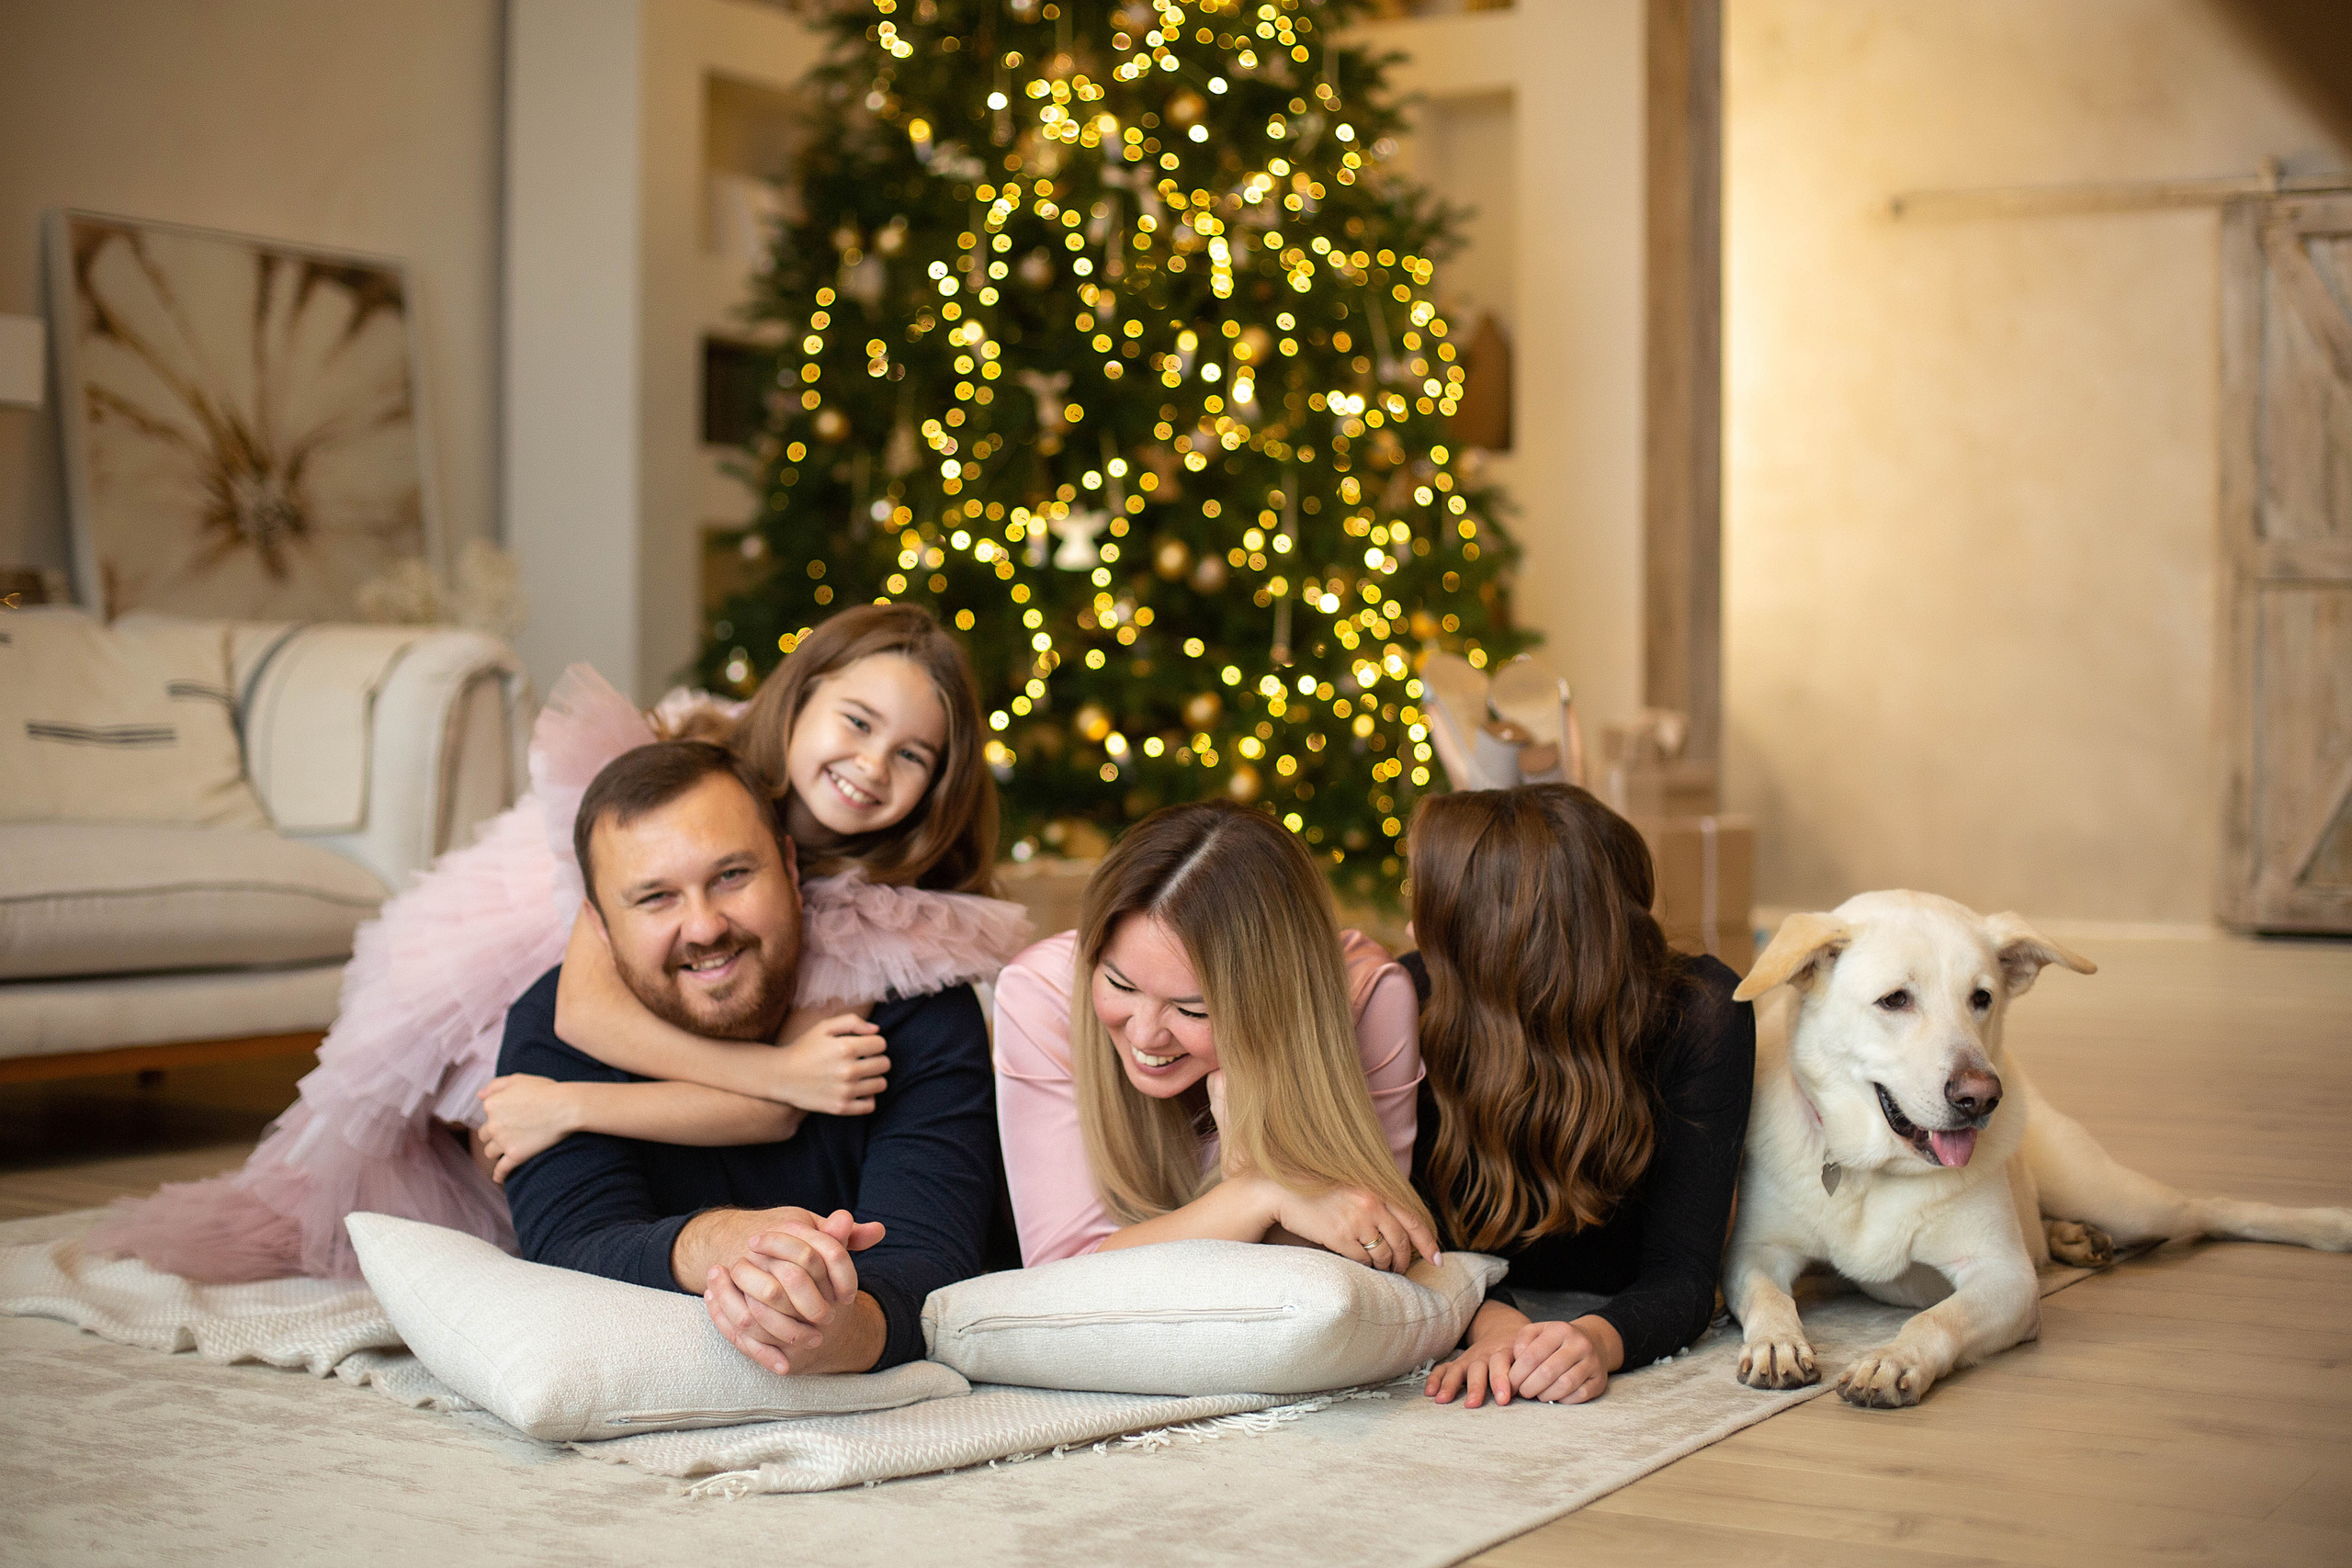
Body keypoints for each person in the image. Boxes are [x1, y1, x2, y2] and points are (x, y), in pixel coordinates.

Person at [89, 604, 1026, 1282]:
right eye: (857, 723)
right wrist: (604, 1095)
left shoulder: (886, 920)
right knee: (425, 1154)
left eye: (914, 756)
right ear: (802, 694)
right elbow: (592, 1013)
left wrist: (583, 1108)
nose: (871, 766)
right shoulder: (676, 777)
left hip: (682, 1043)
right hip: (541, 980)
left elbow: (785, 1105)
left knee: (579, 1135)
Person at [498, 739, 1001, 1376]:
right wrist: (725, 1245)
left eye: (732, 875)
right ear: (598, 925)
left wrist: (841, 1333)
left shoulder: (917, 1002)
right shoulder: (551, 1029)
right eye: (656, 897)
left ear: (791, 867)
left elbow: (932, 1254)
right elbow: (572, 1243)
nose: (705, 926)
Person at [1406, 785, 1755, 1410]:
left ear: (1501, 934)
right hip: (1474, 1287)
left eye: (1429, 906)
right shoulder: (1411, 997)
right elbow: (1411, 1235)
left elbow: (1684, 1268)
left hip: (1618, 1288)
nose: (1410, 927)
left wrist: (1597, 1340)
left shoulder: (1698, 1011)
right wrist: (1494, 1324)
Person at [993, 799, 1441, 1271]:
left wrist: (1256, 1146)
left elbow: (1371, 1254)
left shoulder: (1369, 997)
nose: (1145, 1033)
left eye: (1193, 1009)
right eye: (1120, 984)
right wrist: (1257, 1195)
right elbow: (1057, 1277)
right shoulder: (1041, 991)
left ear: (1273, 999)